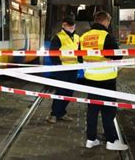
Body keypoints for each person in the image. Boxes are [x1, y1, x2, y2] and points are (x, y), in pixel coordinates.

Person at [80, 11, 128, 150]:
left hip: (90, 78)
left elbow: (79, 58)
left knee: (92, 109)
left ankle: (91, 139)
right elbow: (118, 57)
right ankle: (112, 141)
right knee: (108, 110)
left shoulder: (84, 37)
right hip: (107, 79)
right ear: (106, 21)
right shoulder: (107, 36)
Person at [45, 15, 79, 123]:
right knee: (61, 91)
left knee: (69, 92)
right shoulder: (58, 37)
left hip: (74, 68)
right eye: (69, 25)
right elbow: (53, 53)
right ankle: (54, 114)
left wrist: (82, 63)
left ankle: (62, 113)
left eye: (72, 24)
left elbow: (80, 52)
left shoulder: (77, 37)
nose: (71, 26)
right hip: (62, 68)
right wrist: (58, 64)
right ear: (63, 25)